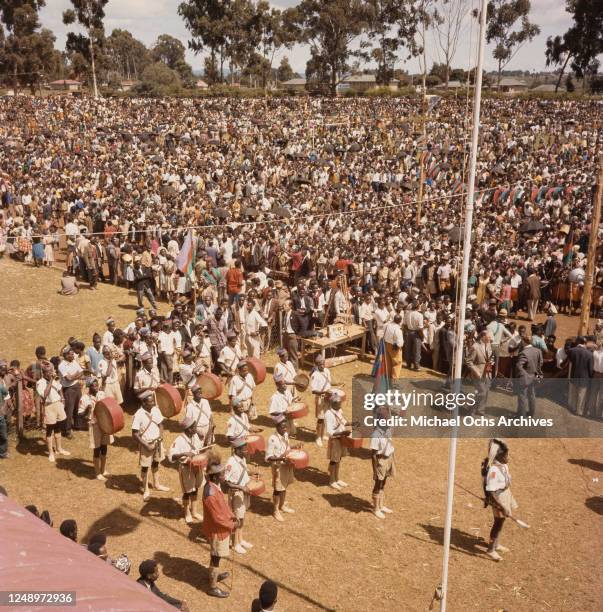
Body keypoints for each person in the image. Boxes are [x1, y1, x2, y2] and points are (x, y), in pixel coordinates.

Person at [202, 460, 237, 598]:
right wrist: (231, 525)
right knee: (215, 557)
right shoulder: (210, 493)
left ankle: (214, 576)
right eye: (222, 473)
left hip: (219, 528)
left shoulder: (215, 486)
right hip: (216, 531)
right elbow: (217, 518)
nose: (224, 475)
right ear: (215, 476)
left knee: (216, 556)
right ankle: (212, 586)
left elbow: (222, 506)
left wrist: (231, 516)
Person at [482, 439, 517, 562]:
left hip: (505, 493)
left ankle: (496, 544)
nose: (508, 457)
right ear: (498, 455)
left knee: (501, 522)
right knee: (498, 523)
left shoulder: (503, 465)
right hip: (498, 498)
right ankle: (491, 549)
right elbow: (491, 490)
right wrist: (501, 506)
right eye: (505, 454)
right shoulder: (494, 470)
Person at [132, 391, 169, 501]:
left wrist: (160, 437)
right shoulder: (138, 414)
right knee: (145, 467)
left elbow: (161, 424)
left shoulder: (156, 410)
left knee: (156, 462)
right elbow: (134, 434)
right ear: (143, 403)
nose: (153, 403)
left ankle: (156, 484)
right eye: (150, 402)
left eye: (153, 401)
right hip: (146, 444)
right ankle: (146, 489)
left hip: (157, 443)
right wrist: (146, 445)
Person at [169, 416, 206, 524]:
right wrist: (184, 453)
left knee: (196, 489)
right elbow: (171, 456)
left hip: (197, 467)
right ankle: (187, 513)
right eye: (194, 427)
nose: (196, 428)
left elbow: (199, 449)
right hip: (186, 468)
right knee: (187, 492)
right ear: (189, 429)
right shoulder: (179, 440)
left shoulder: (195, 437)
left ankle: (194, 511)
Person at [35, 363, 70, 462]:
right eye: (48, 372)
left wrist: (62, 398)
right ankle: (50, 452)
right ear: (43, 373)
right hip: (49, 406)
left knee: (58, 427)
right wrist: (51, 380)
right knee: (50, 429)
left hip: (58, 404)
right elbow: (45, 395)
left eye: (52, 371)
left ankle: (59, 449)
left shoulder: (55, 379)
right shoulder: (40, 383)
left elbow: (59, 388)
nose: (51, 373)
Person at [225, 438, 254, 554]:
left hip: (244, 491)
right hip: (236, 493)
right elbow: (226, 481)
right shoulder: (231, 462)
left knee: (242, 517)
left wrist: (252, 473)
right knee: (237, 518)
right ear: (236, 450)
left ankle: (240, 539)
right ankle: (234, 543)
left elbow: (243, 472)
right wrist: (241, 488)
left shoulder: (242, 459)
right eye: (243, 448)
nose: (246, 450)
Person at [79, 378, 112, 480]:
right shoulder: (84, 398)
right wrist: (86, 410)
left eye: (97, 385)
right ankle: (97, 472)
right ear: (89, 387)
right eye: (94, 386)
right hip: (94, 425)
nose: (96, 387)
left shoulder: (102, 394)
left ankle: (103, 469)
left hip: (104, 423)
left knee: (104, 446)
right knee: (97, 448)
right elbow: (80, 414)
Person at [265, 415, 296, 522]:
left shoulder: (285, 435)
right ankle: (275, 510)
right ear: (277, 427)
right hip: (278, 467)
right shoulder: (272, 439)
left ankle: (282, 505)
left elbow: (286, 448)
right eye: (282, 427)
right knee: (277, 489)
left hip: (287, 465)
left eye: (286, 426)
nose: (285, 429)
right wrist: (281, 458)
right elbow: (269, 457)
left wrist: (294, 447)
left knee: (284, 485)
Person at [370, 407, 395, 519]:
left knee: (383, 482)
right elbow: (373, 454)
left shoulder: (388, 429)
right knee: (378, 483)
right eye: (386, 418)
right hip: (381, 460)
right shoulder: (376, 434)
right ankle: (376, 509)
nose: (388, 420)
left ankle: (381, 505)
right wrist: (375, 469)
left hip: (389, 458)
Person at [325, 391, 350, 491]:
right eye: (339, 403)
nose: (340, 404)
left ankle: (337, 478)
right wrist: (342, 433)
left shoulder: (339, 411)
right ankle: (332, 481)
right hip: (335, 440)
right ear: (333, 404)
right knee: (334, 460)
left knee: (339, 459)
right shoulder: (329, 414)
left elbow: (343, 422)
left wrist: (353, 423)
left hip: (342, 438)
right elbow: (330, 432)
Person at [58, 347, 85, 436]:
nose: (73, 355)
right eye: (71, 354)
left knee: (78, 407)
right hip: (68, 389)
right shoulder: (62, 366)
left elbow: (81, 372)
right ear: (66, 355)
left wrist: (74, 376)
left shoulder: (74, 362)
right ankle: (67, 430)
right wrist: (76, 375)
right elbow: (68, 379)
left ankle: (77, 425)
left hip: (76, 387)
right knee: (69, 410)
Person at [465, 330, 494, 416]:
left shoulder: (488, 344)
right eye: (489, 337)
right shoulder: (475, 347)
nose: (490, 339)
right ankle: (471, 409)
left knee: (486, 392)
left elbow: (490, 356)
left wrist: (491, 361)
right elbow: (468, 362)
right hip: (478, 373)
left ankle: (481, 410)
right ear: (483, 337)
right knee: (482, 392)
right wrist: (476, 371)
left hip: (488, 372)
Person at [514, 342, 543, 417]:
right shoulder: (538, 350)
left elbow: (519, 366)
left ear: (524, 343)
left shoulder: (523, 353)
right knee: (532, 395)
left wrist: (525, 375)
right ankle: (531, 413)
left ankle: (521, 416)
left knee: (522, 397)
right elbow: (540, 363)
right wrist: (538, 373)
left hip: (525, 378)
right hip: (534, 377)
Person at [567, 336, 594, 416]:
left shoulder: (571, 351)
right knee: (581, 395)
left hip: (574, 375)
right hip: (584, 377)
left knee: (573, 393)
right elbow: (590, 368)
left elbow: (570, 361)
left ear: (578, 342)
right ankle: (579, 411)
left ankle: (572, 407)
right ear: (585, 343)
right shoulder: (589, 354)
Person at [310, 355, 331, 447]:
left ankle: (322, 435)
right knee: (320, 419)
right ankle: (318, 437)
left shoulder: (327, 371)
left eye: (323, 363)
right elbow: (313, 390)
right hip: (320, 398)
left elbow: (329, 383)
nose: (322, 366)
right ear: (317, 365)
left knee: (326, 417)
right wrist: (324, 392)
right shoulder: (315, 375)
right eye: (320, 364)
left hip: (328, 397)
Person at [383, 314, 404, 379]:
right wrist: (399, 346)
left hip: (387, 344)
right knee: (397, 363)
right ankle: (394, 380)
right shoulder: (398, 329)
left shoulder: (387, 325)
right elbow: (400, 343)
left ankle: (388, 378)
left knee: (388, 362)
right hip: (394, 347)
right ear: (400, 321)